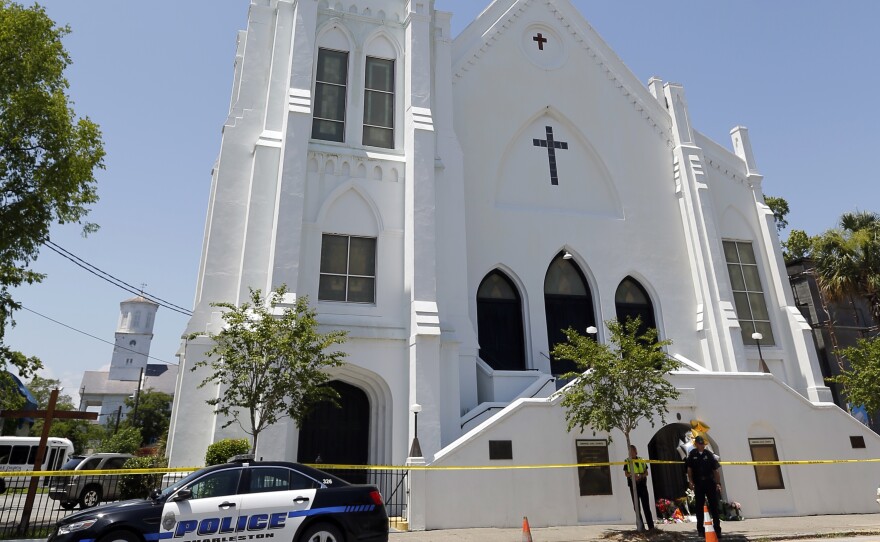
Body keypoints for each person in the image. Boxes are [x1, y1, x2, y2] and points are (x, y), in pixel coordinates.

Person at [686, 435, 722, 538]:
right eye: (700, 444)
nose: (701, 446)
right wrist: (691, 481)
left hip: (710, 483)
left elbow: (716, 470)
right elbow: (689, 469)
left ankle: (717, 530)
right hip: (699, 484)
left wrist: (718, 483)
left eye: (703, 444)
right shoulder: (692, 454)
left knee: (714, 507)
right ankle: (700, 530)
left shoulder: (709, 454)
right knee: (699, 508)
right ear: (696, 444)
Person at [623, 444, 654, 530]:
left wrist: (640, 476)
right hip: (633, 486)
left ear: (635, 452)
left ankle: (651, 527)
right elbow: (626, 474)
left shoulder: (642, 460)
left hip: (642, 485)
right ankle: (641, 527)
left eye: (632, 451)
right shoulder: (627, 461)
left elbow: (646, 473)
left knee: (646, 506)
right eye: (629, 451)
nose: (630, 453)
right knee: (636, 507)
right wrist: (633, 475)